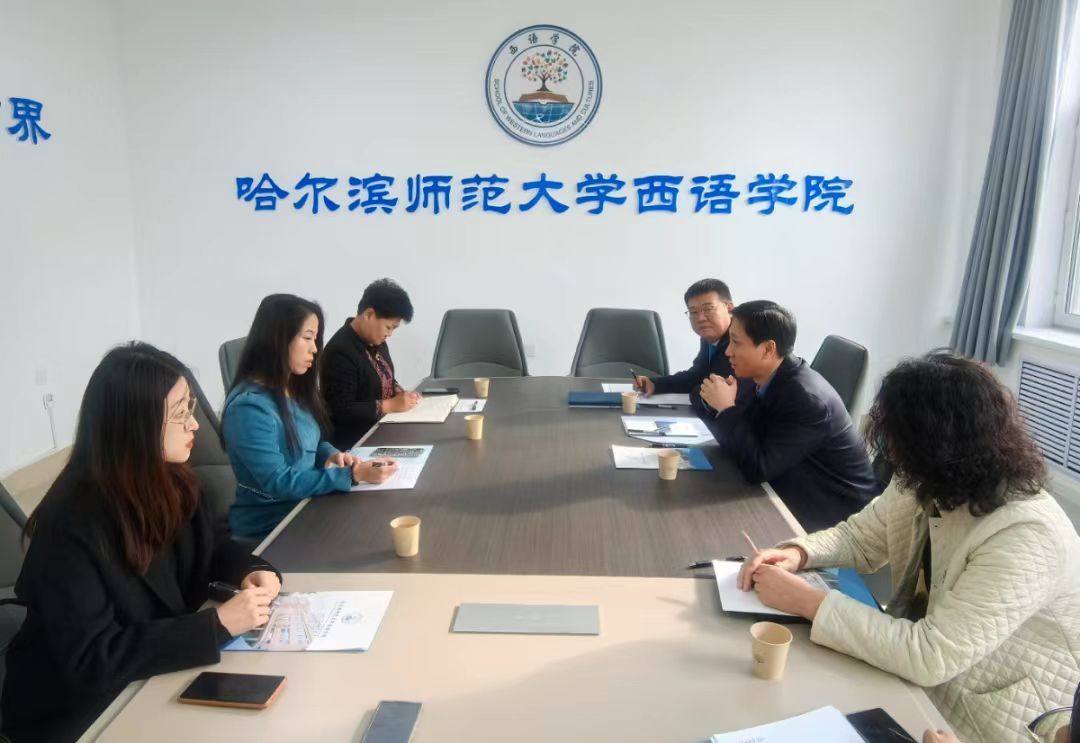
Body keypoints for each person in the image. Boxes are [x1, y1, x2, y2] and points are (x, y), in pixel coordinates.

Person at [738, 352, 1080, 743]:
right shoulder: (928, 478)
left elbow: (931, 655)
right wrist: (799, 553)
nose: (892, 455)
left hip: (998, 718)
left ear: (940, 446)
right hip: (924, 681)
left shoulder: (1026, 534)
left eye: (900, 443)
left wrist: (809, 602)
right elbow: (860, 537)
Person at [1, 343, 282, 742]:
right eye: (180, 412)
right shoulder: (71, 523)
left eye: (190, 407)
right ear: (136, 425)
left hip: (154, 670)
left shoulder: (173, 479)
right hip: (79, 709)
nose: (195, 424)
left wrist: (252, 570)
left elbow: (213, 549)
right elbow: (92, 658)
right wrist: (216, 625)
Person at [223, 294, 397, 542]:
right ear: (278, 339)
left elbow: (308, 442)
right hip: (272, 529)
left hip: (306, 507)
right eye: (307, 338)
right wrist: (352, 475)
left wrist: (331, 454)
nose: (314, 349)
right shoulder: (248, 409)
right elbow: (279, 481)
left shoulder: (292, 388)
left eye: (315, 339)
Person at [701, 300, 880, 529]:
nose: (728, 351)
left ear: (768, 349)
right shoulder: (769, 376)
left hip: (836, 518)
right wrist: (725, 405)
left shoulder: (806, 399)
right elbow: (748, 437)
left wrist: (727, 409)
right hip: (792, 490)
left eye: (736, 342)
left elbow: (758, 468)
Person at [322, 278, 421, 451]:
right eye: (389, 327)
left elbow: (384, 377)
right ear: (369, 314)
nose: (390, 334)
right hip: (355, 444)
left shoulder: (375, 340)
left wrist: (400, 392)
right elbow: (339, 409)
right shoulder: (340, 351)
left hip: (383, 428)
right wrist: (390, 405)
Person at [632, 279, 741, 415]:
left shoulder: (740, 340)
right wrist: (655, 384)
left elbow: (714, 390)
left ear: (729, 308)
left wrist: (696, 390)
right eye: (693, 312)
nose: (700, 318)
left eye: (708, 309)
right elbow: (696, 375)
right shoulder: (710, 337)